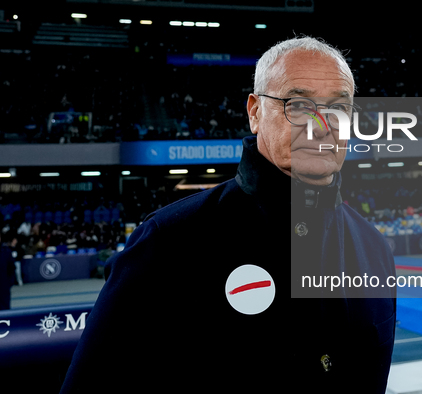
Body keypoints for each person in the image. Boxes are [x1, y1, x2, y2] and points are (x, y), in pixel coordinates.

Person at [60, 37, 396, 393]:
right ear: (254, 112)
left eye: (338, 108)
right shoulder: (168, 241)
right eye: (298, 105)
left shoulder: (375, 250)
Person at [0, 233, 16, 310]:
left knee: (4, 308)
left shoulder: (6, 251)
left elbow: (12, 268)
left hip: (4, 285)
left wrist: (10, 282)